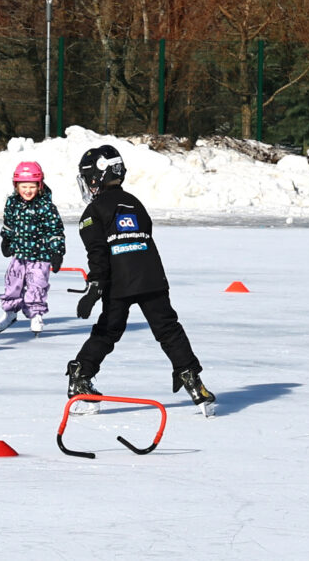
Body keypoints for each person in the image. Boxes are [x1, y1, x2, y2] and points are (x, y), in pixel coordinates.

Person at [66, 145, 216, 415]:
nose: (88, 185)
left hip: (119, 283)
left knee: (108, 331)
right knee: (168, 328)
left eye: (88, 178)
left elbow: (97, 253)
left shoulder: (92, 212)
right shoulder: (135, 202)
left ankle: (80, 374)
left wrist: (95, 286)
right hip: (151, 278)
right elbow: (144, 235)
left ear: (98, 177)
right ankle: (191, 376)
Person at [0, 161, 65, 336]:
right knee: (12, 283)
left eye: (32, 186)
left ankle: (36, 314)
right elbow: (9, 224)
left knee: (37, 285)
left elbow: (55, 231)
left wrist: (57, 252)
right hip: (19, 254)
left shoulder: (46, 206)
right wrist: (6, 239)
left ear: (39, 185)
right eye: (23, 186)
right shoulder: (12, 203)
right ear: (16, 186)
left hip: (41, 255)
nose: (27, 190)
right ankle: (10, 312)